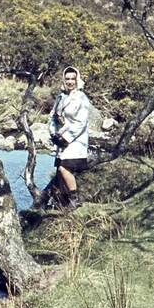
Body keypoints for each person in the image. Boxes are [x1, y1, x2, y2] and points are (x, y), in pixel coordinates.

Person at [48, 66, 90, 209]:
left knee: (64, 169)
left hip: (76, 141)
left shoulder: (81, 98)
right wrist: (53, 133)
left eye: (73, 79)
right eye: (67, 79)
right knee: (60, 169)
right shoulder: (61, 97)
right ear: (64, 80)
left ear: (77, 80)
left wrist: (66, 138)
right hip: (61, 139)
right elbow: (53, 116)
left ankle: (74, 199)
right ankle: (62, 201)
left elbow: (81, 122)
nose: (70, 82)